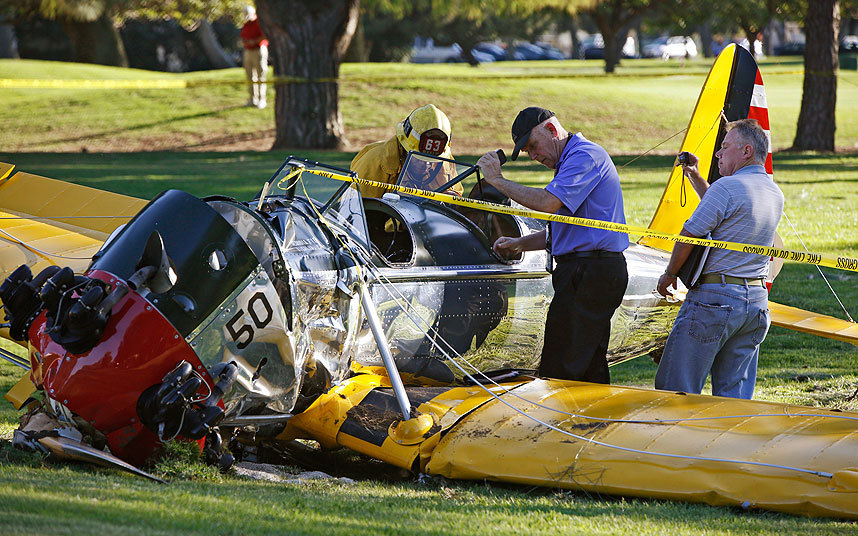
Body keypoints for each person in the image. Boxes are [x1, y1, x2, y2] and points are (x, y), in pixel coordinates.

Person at [476, 107, 628, 383]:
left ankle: (561, 422)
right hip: (586, 269)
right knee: (586, 365)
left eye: (533, 146)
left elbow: (547, 203)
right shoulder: (570, 162)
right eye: (527, 152)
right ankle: (588, 422)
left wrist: (497, 181)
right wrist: (519, 244)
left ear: (552, 130)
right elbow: (565, 230)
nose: (533, 156)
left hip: (591, 271)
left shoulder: (585, 156)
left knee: (562, 367)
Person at [655, 119, 784, 399]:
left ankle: (672, 443)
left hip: (714, 301)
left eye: (725, 147)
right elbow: (727, 208)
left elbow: (689, 234)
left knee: (677, 391)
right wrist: (695, 177)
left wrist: (670, 274)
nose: (718, 153)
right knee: (734, 399)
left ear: (746, 151)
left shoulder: (726, 188)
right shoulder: (774, 192)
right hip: (755, 304)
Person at [350, 104, 462, 198]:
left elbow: (455, 201)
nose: (426, 164)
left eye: (434, 160)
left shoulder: (445, 162)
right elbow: (353, 211)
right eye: (419, 158)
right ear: (403, 147)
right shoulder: (374, 160)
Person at [240, 5, 268, 109]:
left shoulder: (259, 22)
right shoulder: (245, 24)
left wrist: (254, 41)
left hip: (258, 50)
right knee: (250, 76)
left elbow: (265, 35)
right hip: (248, 51)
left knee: (260, 75)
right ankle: (252, 98)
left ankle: (262, 99)